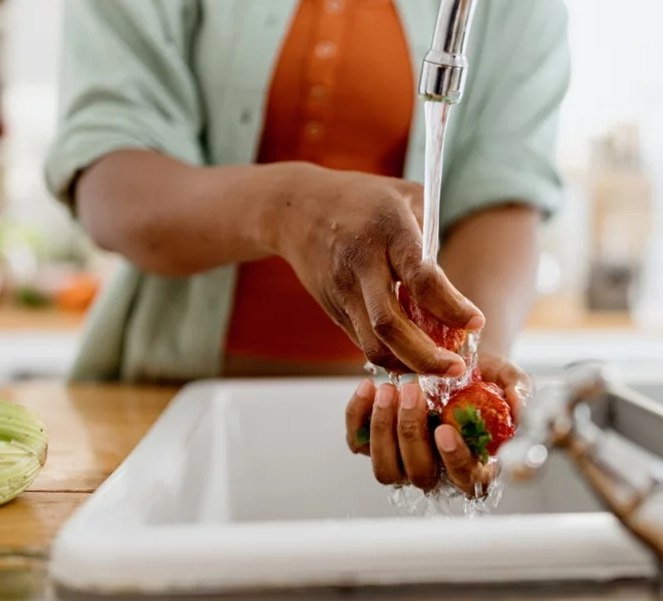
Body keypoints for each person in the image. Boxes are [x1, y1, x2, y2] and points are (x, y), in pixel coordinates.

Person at [44, 0, 571, 496]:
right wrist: (288, 208)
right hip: (165, 420)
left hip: (391, 420)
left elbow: (503, 195)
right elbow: (111, 181)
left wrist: (458, 380)